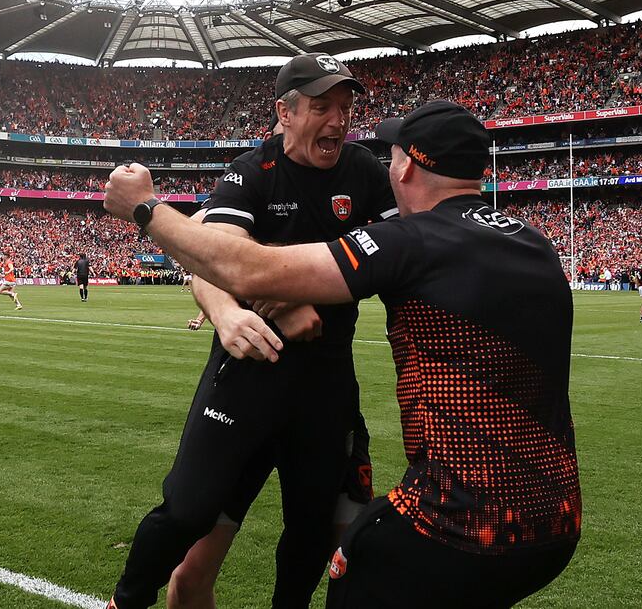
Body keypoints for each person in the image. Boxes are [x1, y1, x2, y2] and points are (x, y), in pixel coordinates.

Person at [104, 99, 581, 609]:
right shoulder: (535, 243)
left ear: (406, 167)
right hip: (555, 527)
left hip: (457, 524)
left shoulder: (409, 241)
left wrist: (145, 208)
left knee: (354, 554)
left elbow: (249, 270)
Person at [106, 52, 397, 609]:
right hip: (247, 376)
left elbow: (399, 256)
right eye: (322, 107)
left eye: (345, 106)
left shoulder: (365, 172)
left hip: (326, 380)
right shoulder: (251, 171)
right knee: (187, 512)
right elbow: (211, 258)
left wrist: (280, 285)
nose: (338, 119)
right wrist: (227, 311)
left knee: (311, 529)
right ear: (284, 113)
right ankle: (125, 601)